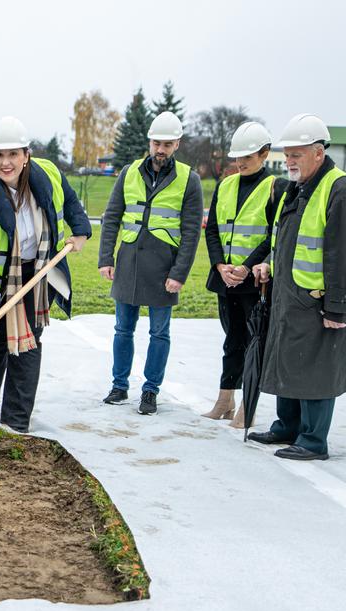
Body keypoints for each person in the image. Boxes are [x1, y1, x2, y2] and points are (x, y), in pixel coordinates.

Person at [247, 114, 346, 461]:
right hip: (290, 297)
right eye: (287, 155)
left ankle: (314, 440)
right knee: (288, 359)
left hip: (318, 303)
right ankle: (287, 426)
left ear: (318, 152)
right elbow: (287, 240)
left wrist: (337, 307)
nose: (289, 162)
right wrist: (269, 264)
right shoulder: (297, 188)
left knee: (316, 367)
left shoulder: (340, 190)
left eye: (296, 155)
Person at [0, 117, 90, 432]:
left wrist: (82, 232)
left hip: (38, 269)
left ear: (26, 155)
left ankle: (16, 418)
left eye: (13, 154)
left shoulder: (49, 174)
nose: (6, 163)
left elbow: (72, 203)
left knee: (28, 342)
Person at [98, 111, 203, 415]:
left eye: (167, 144)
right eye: (157, 143)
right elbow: (112, 217)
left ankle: (150, 391)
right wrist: (106, 258)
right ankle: (119, 386)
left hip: (163, 268)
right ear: (149, 142)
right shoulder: (128, 173)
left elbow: (191, 231)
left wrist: (179, 274)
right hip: (129, 263)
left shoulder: (189, 179)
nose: (161, 149)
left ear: (177, 145)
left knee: (159, 333)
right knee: (122, 329)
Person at [201, 121, 285, 428]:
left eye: (247, 157)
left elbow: (273, 236)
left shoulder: (277, 187)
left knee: (255, 343)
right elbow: (212, 230)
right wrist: (220, 265)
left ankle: (247, 406)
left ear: (264, 154)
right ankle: (225, 400)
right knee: (231, 340)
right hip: (227, 280)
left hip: (254, 282)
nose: (240, 162)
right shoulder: (225, 185)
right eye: (237, 157)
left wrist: (246, 267)